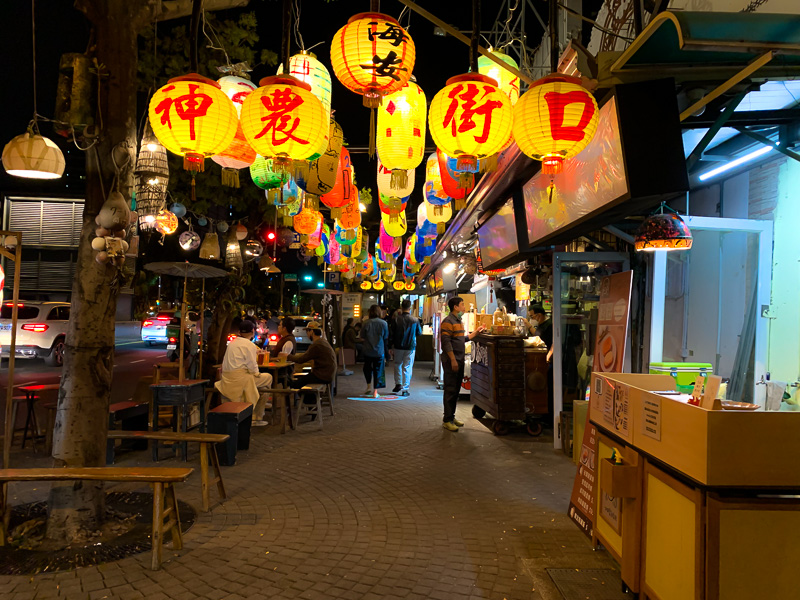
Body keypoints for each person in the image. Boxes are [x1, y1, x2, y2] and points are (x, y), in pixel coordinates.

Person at [215, 320, 273, 426]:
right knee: (268, 378)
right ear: (252, 331)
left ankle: (258, 407)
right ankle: (257, 415)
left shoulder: (232, 343)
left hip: (227, 379)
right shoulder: (249, 345)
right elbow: (252, 367)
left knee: (260, 386)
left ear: (239, 332)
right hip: (240, 380)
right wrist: (257, 374)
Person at [440, 296, 485, 431]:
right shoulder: (448, 321)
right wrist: (453, 359)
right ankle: (447, 420)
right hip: (451, 361)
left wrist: (476, 333)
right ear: (456, 307)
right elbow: (446, 342)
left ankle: (451, 416)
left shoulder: (458, 321)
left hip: (458, 360)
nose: (464, 307)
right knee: (450, 390)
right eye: (462, 304)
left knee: (455, 390)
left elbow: (461, 339)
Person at [280, 321, 337, 401]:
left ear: (312, 331)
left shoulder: (317, 345)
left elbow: (301, 359)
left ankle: (311, 402)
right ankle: (312, 403)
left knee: (295, 384)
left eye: (307, 331)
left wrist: (287, 356)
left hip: (322, 375)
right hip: (327, 374)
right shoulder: (322, 341)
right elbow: (305, 356)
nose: (306, 334)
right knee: (301, 380)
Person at [391, 299, 422, 396]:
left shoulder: (396, 319)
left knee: (397, 364)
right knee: (407, 367)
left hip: (398, 346)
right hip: (410, 346)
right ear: (410, 307)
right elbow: (419, 333)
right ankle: (405, 389)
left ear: (401, 307)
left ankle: (398, 384)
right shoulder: (415, 320)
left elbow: (391, 334)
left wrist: (390, 346)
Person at [360, 304, 389, 398]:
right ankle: (375, 391)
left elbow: (362, 336)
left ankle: (368, 386)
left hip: (367, 350)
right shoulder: (383, 323)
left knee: (367, 368)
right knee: (378, 370)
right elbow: (385, 336)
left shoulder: (365, 323)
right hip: (379, 350)